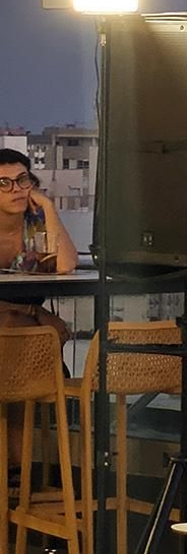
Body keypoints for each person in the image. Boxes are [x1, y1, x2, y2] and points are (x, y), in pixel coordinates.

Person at [0, 148, 78, 472]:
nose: (17, 189)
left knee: (20, 346)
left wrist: (48, 208)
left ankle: (14, 476)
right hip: (19, 334)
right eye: (4, 183)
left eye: (22, 180)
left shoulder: (36, 223)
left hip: (27, 336)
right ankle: (13, 472)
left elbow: (66, 264)